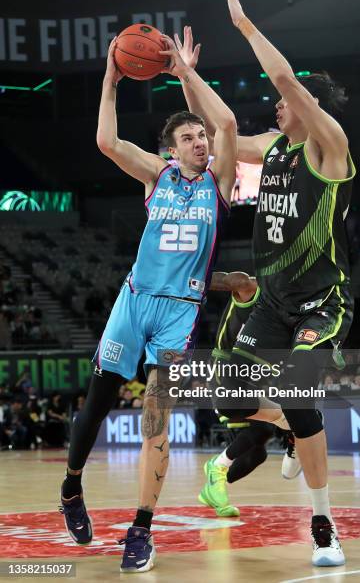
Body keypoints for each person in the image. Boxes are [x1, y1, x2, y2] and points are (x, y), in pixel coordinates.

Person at [179, 0, 355, 567]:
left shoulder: (329, 147)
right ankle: (290, 425)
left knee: (301, 398)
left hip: (318, 303)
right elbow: (223, 127)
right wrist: (184, 75)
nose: (276, 105)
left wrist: (246, 26)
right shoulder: (276, 146)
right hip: (272, 302)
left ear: (308, 108)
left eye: (285, 102)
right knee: (229, 396)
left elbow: (286, 84)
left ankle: (324, 525)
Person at [59, 34, 247, 574]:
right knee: (97, 403)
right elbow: (106, 141)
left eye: (199, 137)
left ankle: (140, 530)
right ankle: (72, 487)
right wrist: (109, 82)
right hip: (134, 300)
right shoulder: (155, 175)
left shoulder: (219, 182)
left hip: (179, 314)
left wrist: (187, 75)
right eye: (188, 138)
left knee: (155, 421)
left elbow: (229, 125)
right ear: (171, 149)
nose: (199, 143)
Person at [199, 271, 301, 518]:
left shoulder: (292, 310)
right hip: (227, 367)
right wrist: (191, 276)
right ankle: (216, 469)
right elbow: (236, 281)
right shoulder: (254, 290)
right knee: (260, 430)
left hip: (257, 375)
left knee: (258, 452)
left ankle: (212, 484)